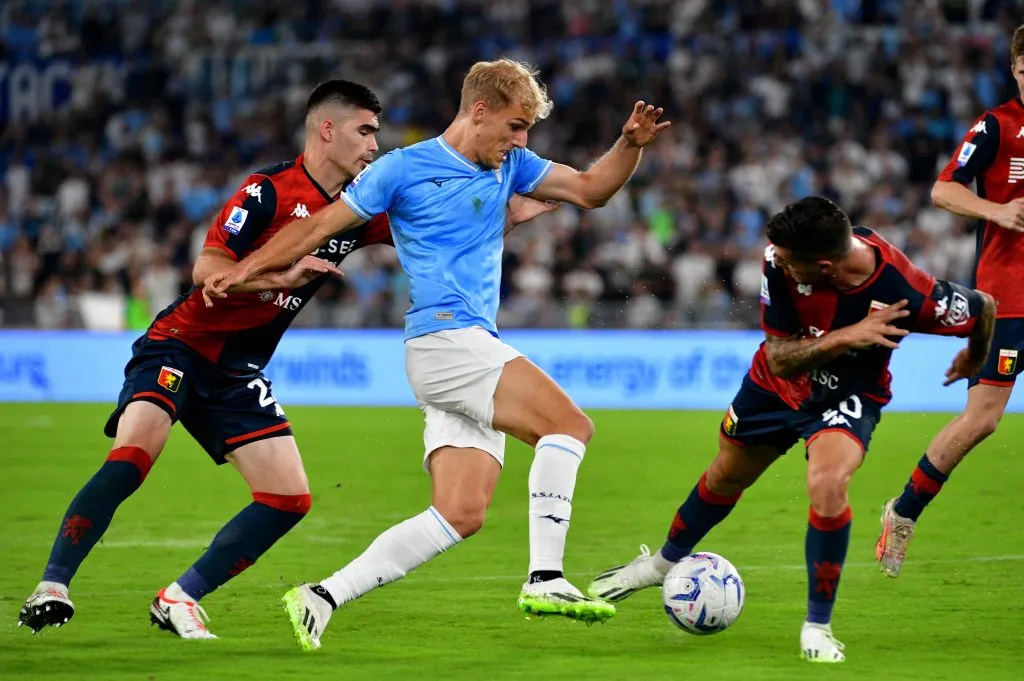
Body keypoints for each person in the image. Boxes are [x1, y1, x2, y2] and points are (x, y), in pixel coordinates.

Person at [17, 79, 553, 639]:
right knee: (133, 454)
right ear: (327, 129)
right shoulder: (268, 190)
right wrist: (280, 276)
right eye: (365, 132)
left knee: (287, 499)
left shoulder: (359, 208)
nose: (375, 145)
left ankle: (178, 598)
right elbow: (207, 273)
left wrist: (507, 212)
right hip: (181, 344)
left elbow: (436, 228)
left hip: (237, 371)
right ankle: (53, 585)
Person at [202, 58, 670, 650]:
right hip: (446, 340)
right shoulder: (402, 169)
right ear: (479, 111)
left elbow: (590, 189)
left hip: (462, 348)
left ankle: (322, 596)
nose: (521, 141)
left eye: (527, 130)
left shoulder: (513, 166)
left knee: (460, 514)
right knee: (568, 426)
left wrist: (628, 145)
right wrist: (244, 269)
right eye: (515, 126)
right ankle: (546, 576)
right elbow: (318, 227)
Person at [586, 196, 995, 663]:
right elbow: (779, 356)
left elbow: (984, 307)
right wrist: (849, 335)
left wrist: (975, 355)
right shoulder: (778, 260)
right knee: (726, 476)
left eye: (786, 259)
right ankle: (661, 564)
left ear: (823, 265)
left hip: (845, 397)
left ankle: (817, 628)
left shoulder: (907, 292)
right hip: (775, 384)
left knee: (828, 484)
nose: (775, 260)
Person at [876, 24, 1024, 578]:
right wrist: (997, 211)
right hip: (1008, 294)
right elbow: (944, 189)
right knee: (982, 421)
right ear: (1015, 70)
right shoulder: (997, 126)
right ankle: (904, 511)